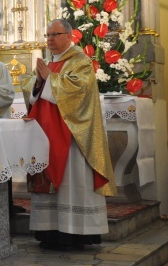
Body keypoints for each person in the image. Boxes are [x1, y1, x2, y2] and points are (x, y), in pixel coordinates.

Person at [21, 19, 116, 249]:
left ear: (69, 36)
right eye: (48, 35)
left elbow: (79, 91)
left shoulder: (80, 61)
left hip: (73, 136)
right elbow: (31, 91)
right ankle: (50, 232)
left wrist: (48, 81)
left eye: (55, 34)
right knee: (49, 180)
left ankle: (76, 233)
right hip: (46, 133)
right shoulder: (49, 63)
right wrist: (37, 83)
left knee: (73, 181)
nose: (50, 39)